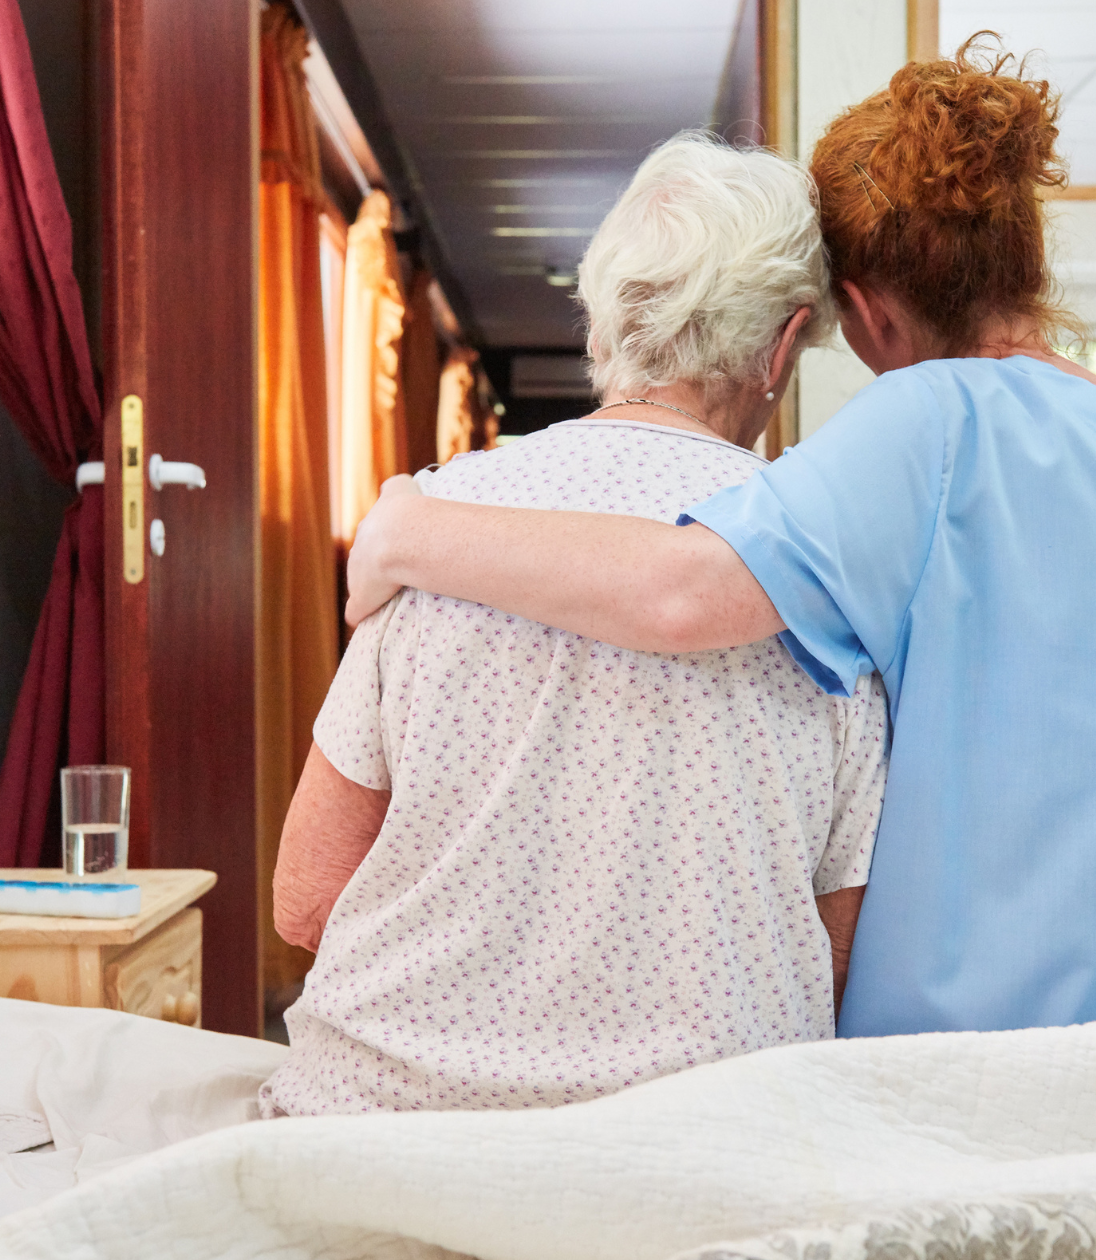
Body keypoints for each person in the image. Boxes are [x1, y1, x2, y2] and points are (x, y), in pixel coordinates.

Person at [343, 40, 1096, 1039]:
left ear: (869, 314)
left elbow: (679, 593)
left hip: (991, 1066)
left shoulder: (936, 419)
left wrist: (408, 530)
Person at [261, 134, 889, 1117]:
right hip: (697, 1149)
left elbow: (307, 899)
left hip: (379, 1132)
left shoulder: (432, 526)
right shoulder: (825, 576)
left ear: (602, 322)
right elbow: (841, 956)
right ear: (783, 346)